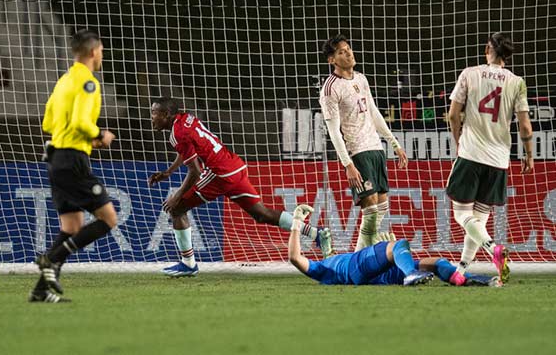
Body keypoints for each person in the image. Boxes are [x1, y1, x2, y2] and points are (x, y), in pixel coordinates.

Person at [149, 97, 332, 276]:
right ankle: (317, 234)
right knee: (262, 214)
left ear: (166, 114)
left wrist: (177, 195)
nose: (151, 117)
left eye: (154, 113)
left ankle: (188, 264)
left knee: (176, 208)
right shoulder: (187, 119)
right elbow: (187, 151)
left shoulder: (177, 133)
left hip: (219, 174)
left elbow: (195, 171)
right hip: (234, 166)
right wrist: (168, 172)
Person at [30, 29, 118, 303]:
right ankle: (51, 259)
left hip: (56, 159)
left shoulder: (64, 80)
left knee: (72, 226)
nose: (102, 55)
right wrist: (100, 135)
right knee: (108, 219)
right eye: (101, 50)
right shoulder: (89, 83)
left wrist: (76, 135)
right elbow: (81, 122)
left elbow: (47, 123)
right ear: (93, 52)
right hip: (72, 160)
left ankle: (40, 292)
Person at [446, 32, 534, 285]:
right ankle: (461, 270)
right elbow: (526, 127)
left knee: (463, 215)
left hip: (471, 154)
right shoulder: (517, 82)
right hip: (498, 160)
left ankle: (492, 248)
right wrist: (528, 154)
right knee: (480, 218)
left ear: (488, 49)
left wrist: (458, 139)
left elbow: (453, 114)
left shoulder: (469, 73)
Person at [319, 34, 409, 251]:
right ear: (331, 60)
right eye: (341, 52)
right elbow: (333, 131)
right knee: (370, 210)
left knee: (381, 207)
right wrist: (347, 164)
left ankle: (360, 256)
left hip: (376, 148)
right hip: (357, 152)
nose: (348, 53)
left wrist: (394, 143)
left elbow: (374, 113)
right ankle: (361, 259)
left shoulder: (361, 78)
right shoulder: (330, 88)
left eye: (348, 49)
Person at [288, 205, 502, 287]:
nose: (327, 244)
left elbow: (334, 253)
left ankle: (473, 281)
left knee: (437, 263)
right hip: (358, 267)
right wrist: (297, 224)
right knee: (399, 244)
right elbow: (295, 258)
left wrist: (381, 250)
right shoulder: (321, 270)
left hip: (379, 275)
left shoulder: (331, 262)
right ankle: (410, 274)